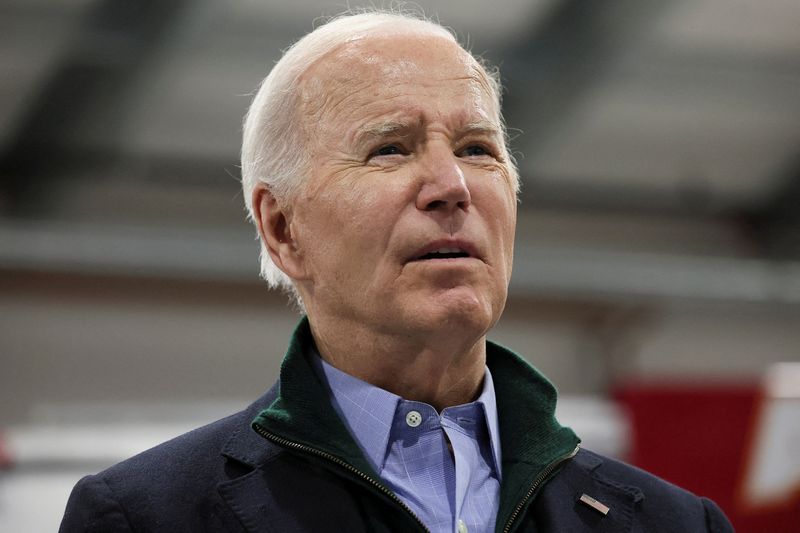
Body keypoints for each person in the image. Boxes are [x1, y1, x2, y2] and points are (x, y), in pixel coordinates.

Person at [60, 10, 733, 533]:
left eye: (477, 148)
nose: (451, 185)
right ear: (282, 228)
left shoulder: (674, 522)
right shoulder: (147, 517)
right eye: (389, 149)